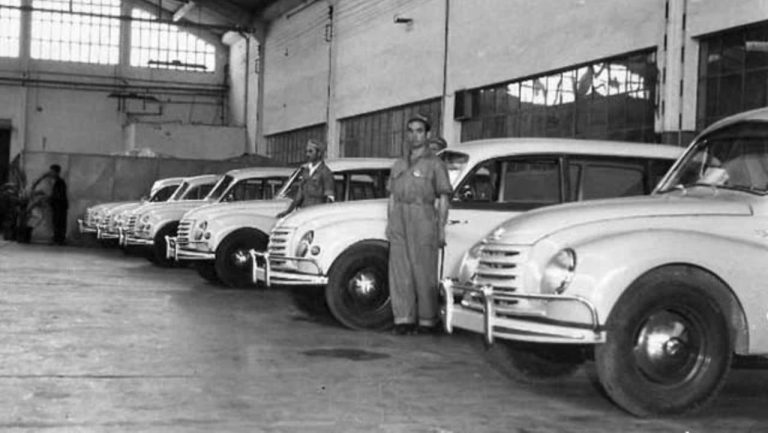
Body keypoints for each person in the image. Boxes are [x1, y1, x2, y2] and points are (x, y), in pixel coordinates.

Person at [386, 115, 451, 335]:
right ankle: (403, 319)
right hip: (399, 217)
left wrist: (441, 228)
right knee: (399, 270)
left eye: (419, 131)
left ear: (427, 134)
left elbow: (443, 198)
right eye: (411, 130)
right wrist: (390, 223)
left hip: (422, 215)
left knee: (423, 270)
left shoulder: (435, 164)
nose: (414, 135)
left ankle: (427, 320)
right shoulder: (398, 164)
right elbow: (392, 197)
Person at [276, 139, 335, 218]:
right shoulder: (306, 171)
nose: (307, 154)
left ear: (319, 153)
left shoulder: (325, 172)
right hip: (304, 212)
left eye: (311, 151)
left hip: (316, 214)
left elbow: (329, 198)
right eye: (306, 151)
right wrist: (287, 212)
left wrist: (324, 216)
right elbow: (299, 195)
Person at [32, 164, 68, 245]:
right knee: (56, 223)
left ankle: (59, 240)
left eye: (52, 172)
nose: (50, 173)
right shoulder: (56, 181)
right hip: (56, 206)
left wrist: (48, 197)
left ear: (57, 172)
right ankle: (57, 239)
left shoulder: (60, 182)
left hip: (60, 206)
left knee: (59, 223)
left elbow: (59, 195)